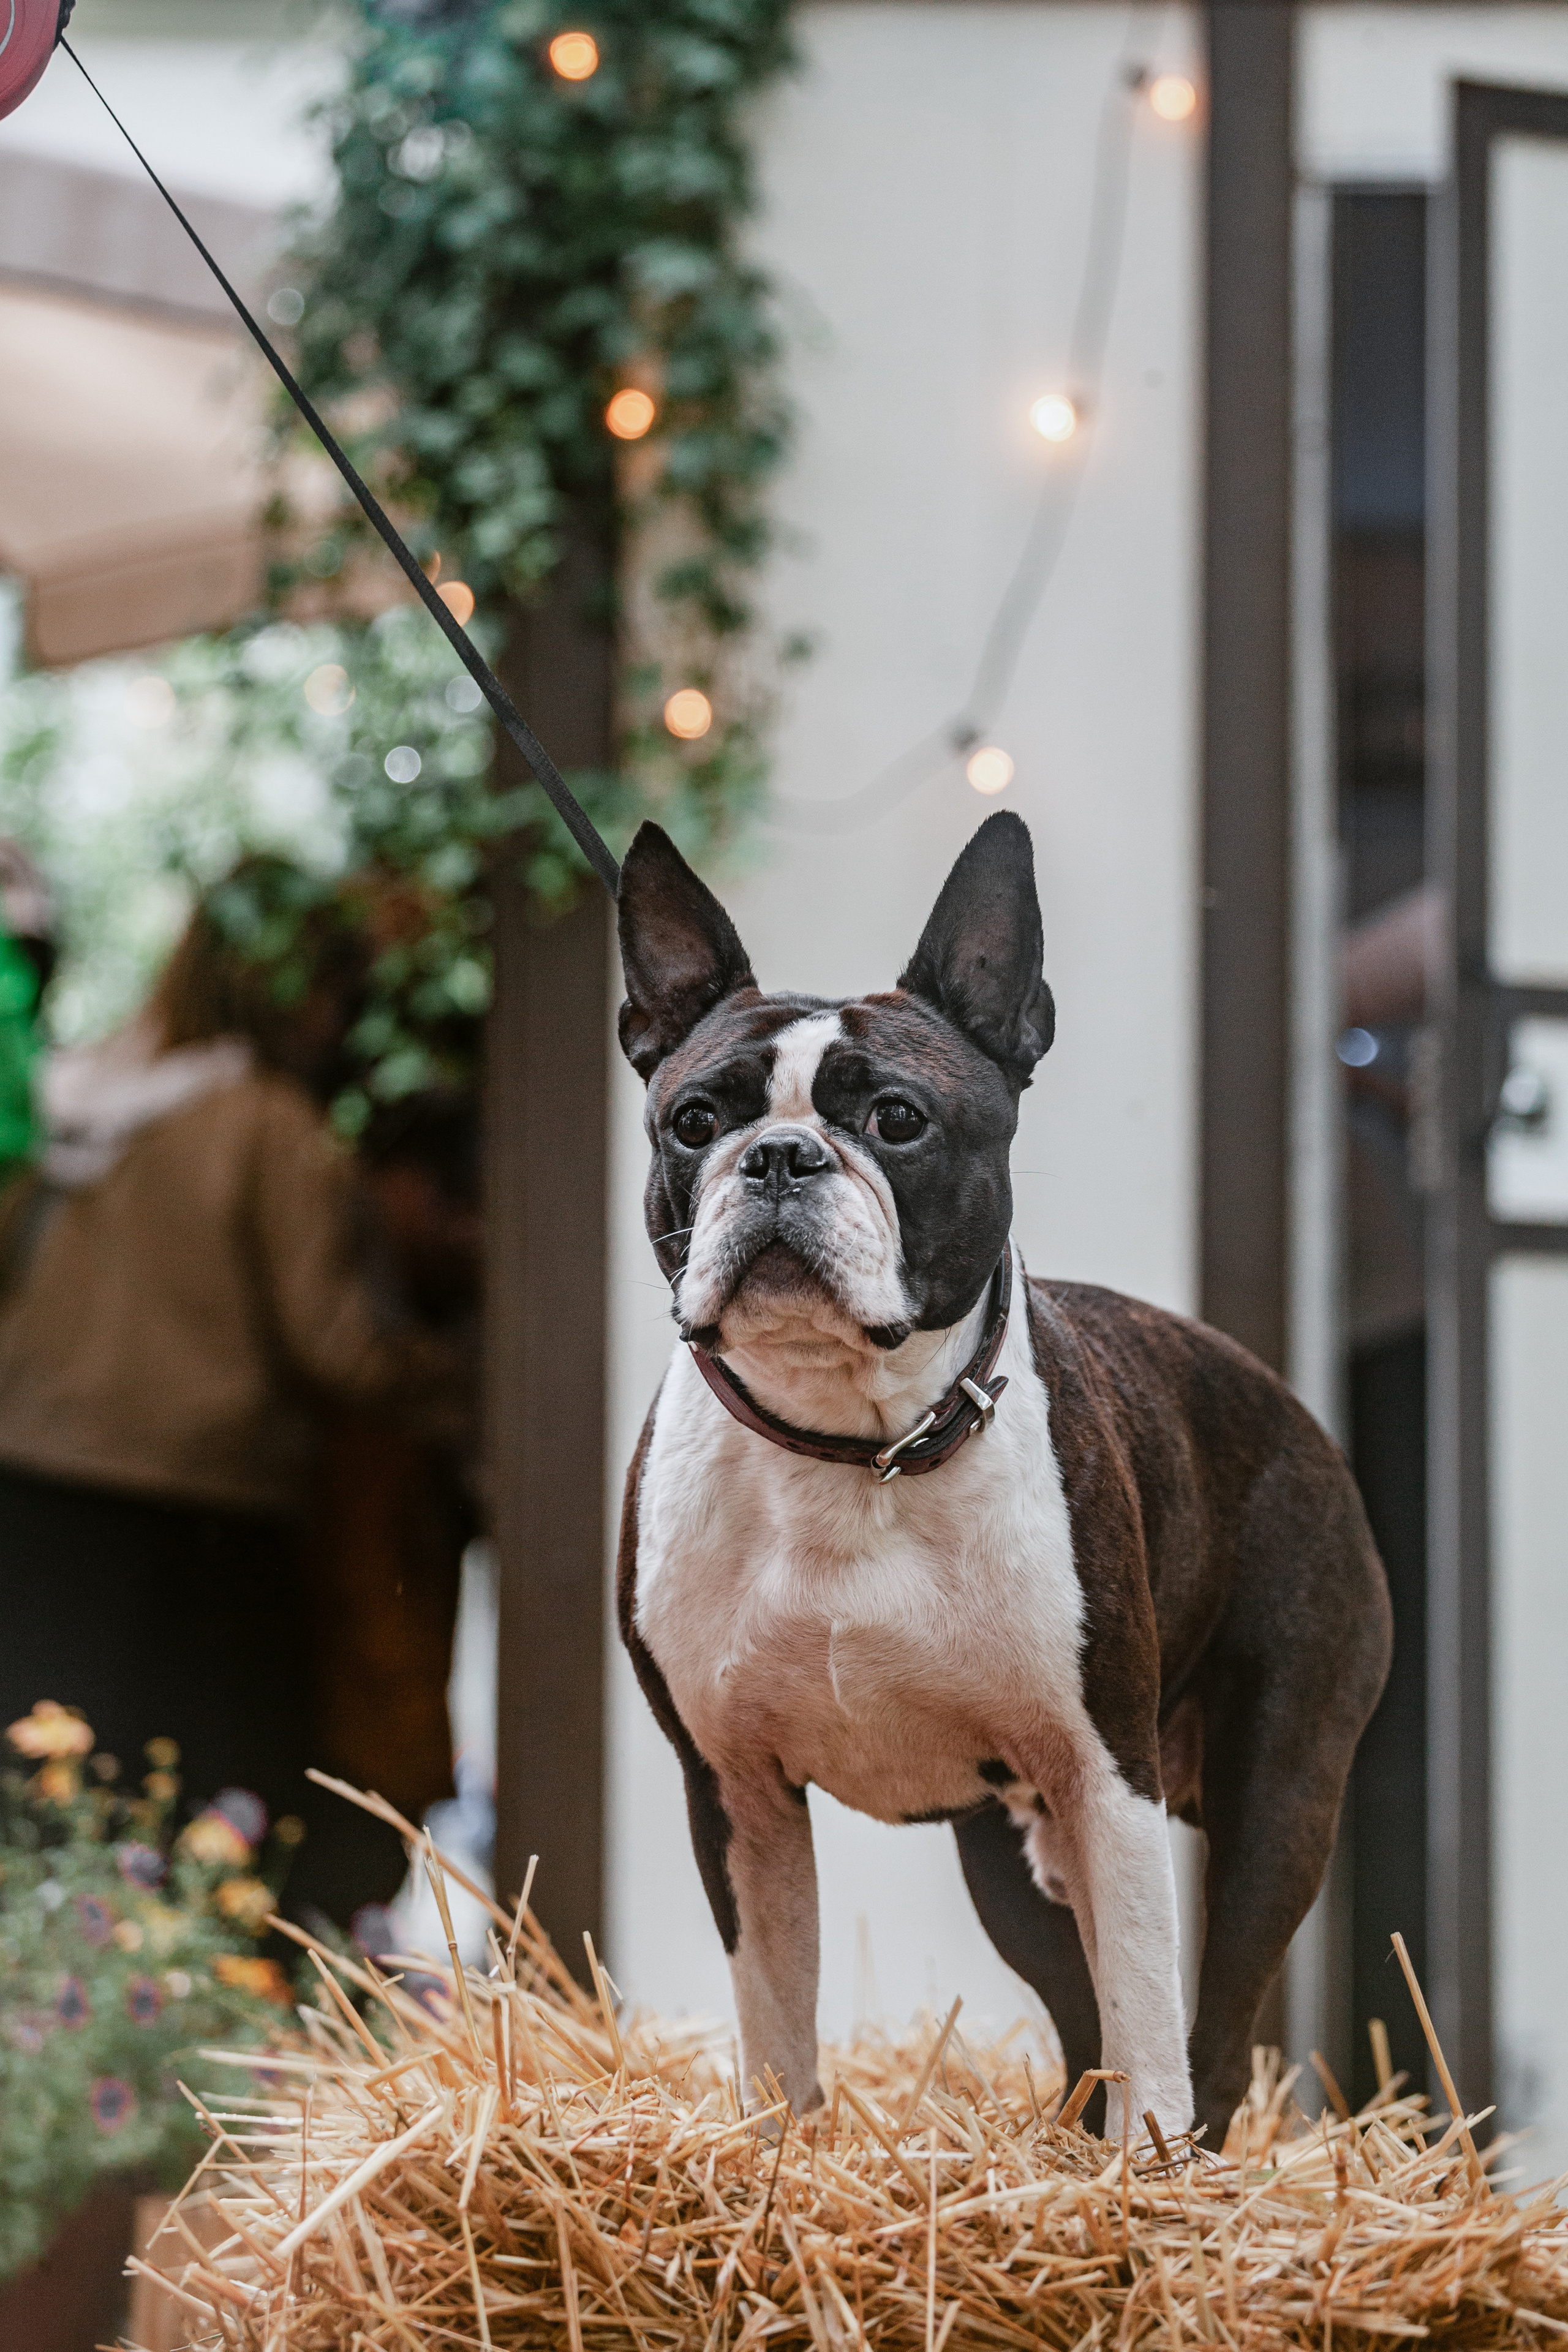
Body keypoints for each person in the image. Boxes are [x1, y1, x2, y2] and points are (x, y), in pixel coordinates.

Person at [0, 858, 467, 1923]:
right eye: (336, 985)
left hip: (29, 1494)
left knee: (47, 1817)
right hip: (194, 1525)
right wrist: (468, 1389)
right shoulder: (269, 1128)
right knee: (207, 1833)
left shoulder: (78, 1096)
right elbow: (337, 1348)